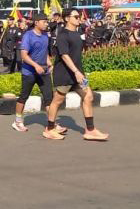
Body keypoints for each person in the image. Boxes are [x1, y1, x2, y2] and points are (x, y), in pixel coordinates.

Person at [44, 9, 109, 142]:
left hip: (78, 74)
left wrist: (80, 72)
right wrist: (76, 72)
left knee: (88, 96)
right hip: (65, 74)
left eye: (79, 17)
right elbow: (64, 55)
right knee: (58, 100)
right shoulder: (63, 35)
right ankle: (49, 129)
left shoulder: (77, 33)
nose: (79, 19)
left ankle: (90, 130)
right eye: (76, 16)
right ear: (67, 18)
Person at [11, 13, 63, 133]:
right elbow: (24, 56)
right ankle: (18, 121)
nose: (46, 24)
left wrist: (48, 62)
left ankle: (52, 123)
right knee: (24, 96)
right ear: (36, 22)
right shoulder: (28, 36)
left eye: (47, 21)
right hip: (29, 72)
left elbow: (44, 53)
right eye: (44, 22)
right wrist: (35, 65)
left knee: (49, 98)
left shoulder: (45, 36)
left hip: (43, 72)